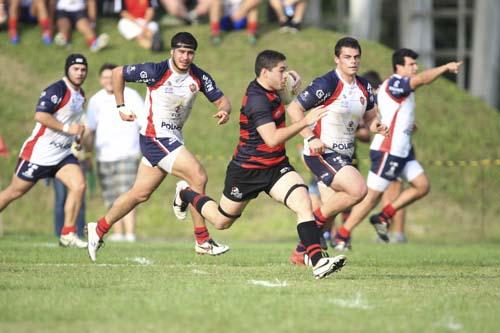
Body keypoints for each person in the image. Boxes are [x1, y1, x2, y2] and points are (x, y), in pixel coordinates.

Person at [171, 50, 347, 279]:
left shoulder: (272, 88)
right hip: (247, 171)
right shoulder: (256, 99)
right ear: (265, 72)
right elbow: (272, 138)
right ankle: (185, 193)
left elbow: (285, 101)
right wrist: (305, 122)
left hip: (275, 167)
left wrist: (290, 86)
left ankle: (317, 261)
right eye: (281, 70)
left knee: (303, 201)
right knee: (222, 221)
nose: (285, 74)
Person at [87, 32, 232, 260]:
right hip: (156, 137)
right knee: (198, 177)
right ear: (172, 51)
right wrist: (120, 106)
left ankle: (99, 228)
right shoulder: (156, 71)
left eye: (190, 52)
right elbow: (117, 73)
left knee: (139, 194)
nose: (185, 57)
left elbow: (223, 100)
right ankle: (202, 239)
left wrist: (224, 110)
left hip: (171, 138)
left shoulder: (199, 77)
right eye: (181, 51)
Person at [338, 48, 462, 247]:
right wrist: (445, 67)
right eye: (411, 64)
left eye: (415, 63)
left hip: (403, 151)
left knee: (422, 186)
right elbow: (421, 79)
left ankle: (383, 217)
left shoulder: (400, 88)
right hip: (388, 150)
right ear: (399, 66)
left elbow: (390, 109)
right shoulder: (396, 83)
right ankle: (342, 235)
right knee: (370, 198)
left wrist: (406, 125)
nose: (415, 67)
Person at [286, 37, 388, 261]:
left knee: (331, 210)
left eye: (356, 57)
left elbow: (370, 116)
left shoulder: (363, 86)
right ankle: (315, 223)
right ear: (337, 59)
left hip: (344, 156)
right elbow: (294, 109)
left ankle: (300, 252)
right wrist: (310, 137)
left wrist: (376, 126)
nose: (353, 61)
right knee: (359, 190)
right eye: (347, 57)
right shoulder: (327, 83)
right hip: (321, 152)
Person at [0, 53, 89, 248]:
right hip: (39, 154)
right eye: (76, 69)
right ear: (67, 69)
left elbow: (74, 123)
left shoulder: (80, 94)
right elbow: (40, 115)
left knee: (79, 185)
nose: (80, 73)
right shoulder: (56, 89)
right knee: (14, 192)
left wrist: (78, 137)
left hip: (63, 155)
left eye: (83, 70)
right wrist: (67, 129)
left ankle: (67, 234)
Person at [86, 63, 144, 242]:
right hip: (103, 156)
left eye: (112, 77)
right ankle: (118, 234)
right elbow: (91, 129)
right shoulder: (96, 100)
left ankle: (130, 233)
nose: (109, 81)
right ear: (100, 80)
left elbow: (143, 122)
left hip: (127, 152)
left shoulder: (132, 95)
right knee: (111, 197)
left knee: (127, 194)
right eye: (105, 78)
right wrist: (87, 153)